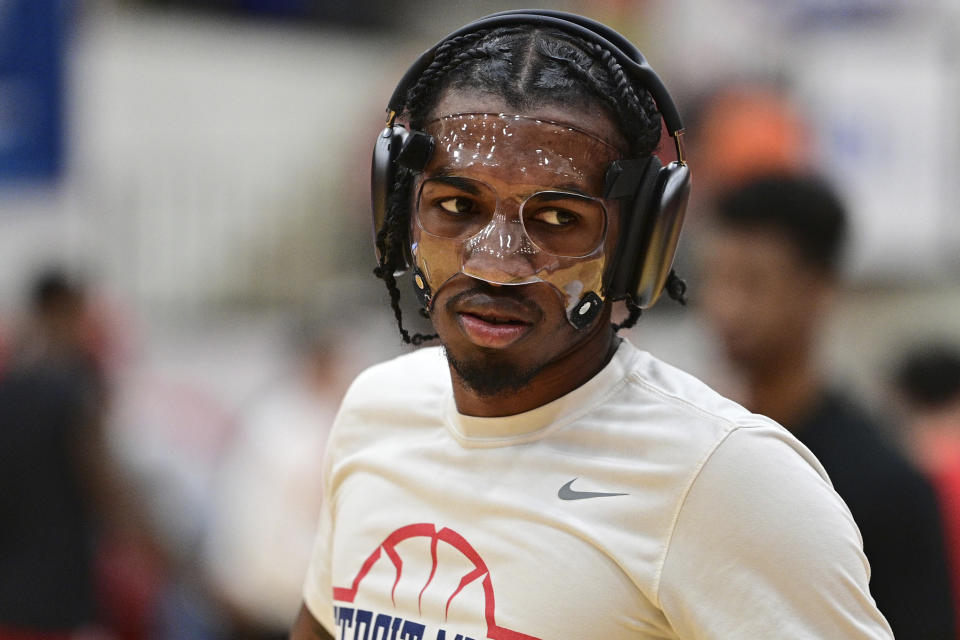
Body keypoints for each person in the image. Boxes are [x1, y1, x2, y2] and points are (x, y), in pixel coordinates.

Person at [293, 11, 893, 639]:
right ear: (401, 218)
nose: (495, 265)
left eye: (557, 219)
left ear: (639, 246)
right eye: (456, 206)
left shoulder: (724, 479)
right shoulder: (374, 411)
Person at [699, 173, 956, 639]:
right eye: (717, 278)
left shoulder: (884, 483)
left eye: (752, 283)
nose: (725, 307)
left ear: (818, 290)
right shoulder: (702, 448)